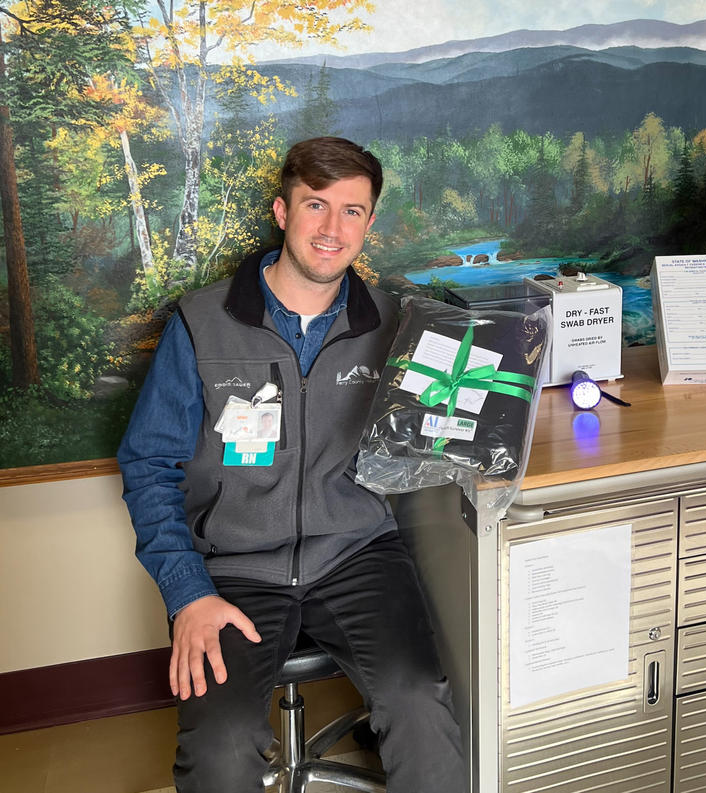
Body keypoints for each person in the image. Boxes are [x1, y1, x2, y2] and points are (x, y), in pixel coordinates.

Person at [117, 136, 466, 792]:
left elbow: (437, 432)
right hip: (233, 568)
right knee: (220, 748)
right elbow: (147, 465)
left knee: (420, 704)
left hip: (358, 554)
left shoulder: (395, 326)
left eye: (353, 211)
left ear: (369, 224)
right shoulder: (201, 325)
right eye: (316, 205)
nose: (333, 229)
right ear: (281, 212)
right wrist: (188, 593)